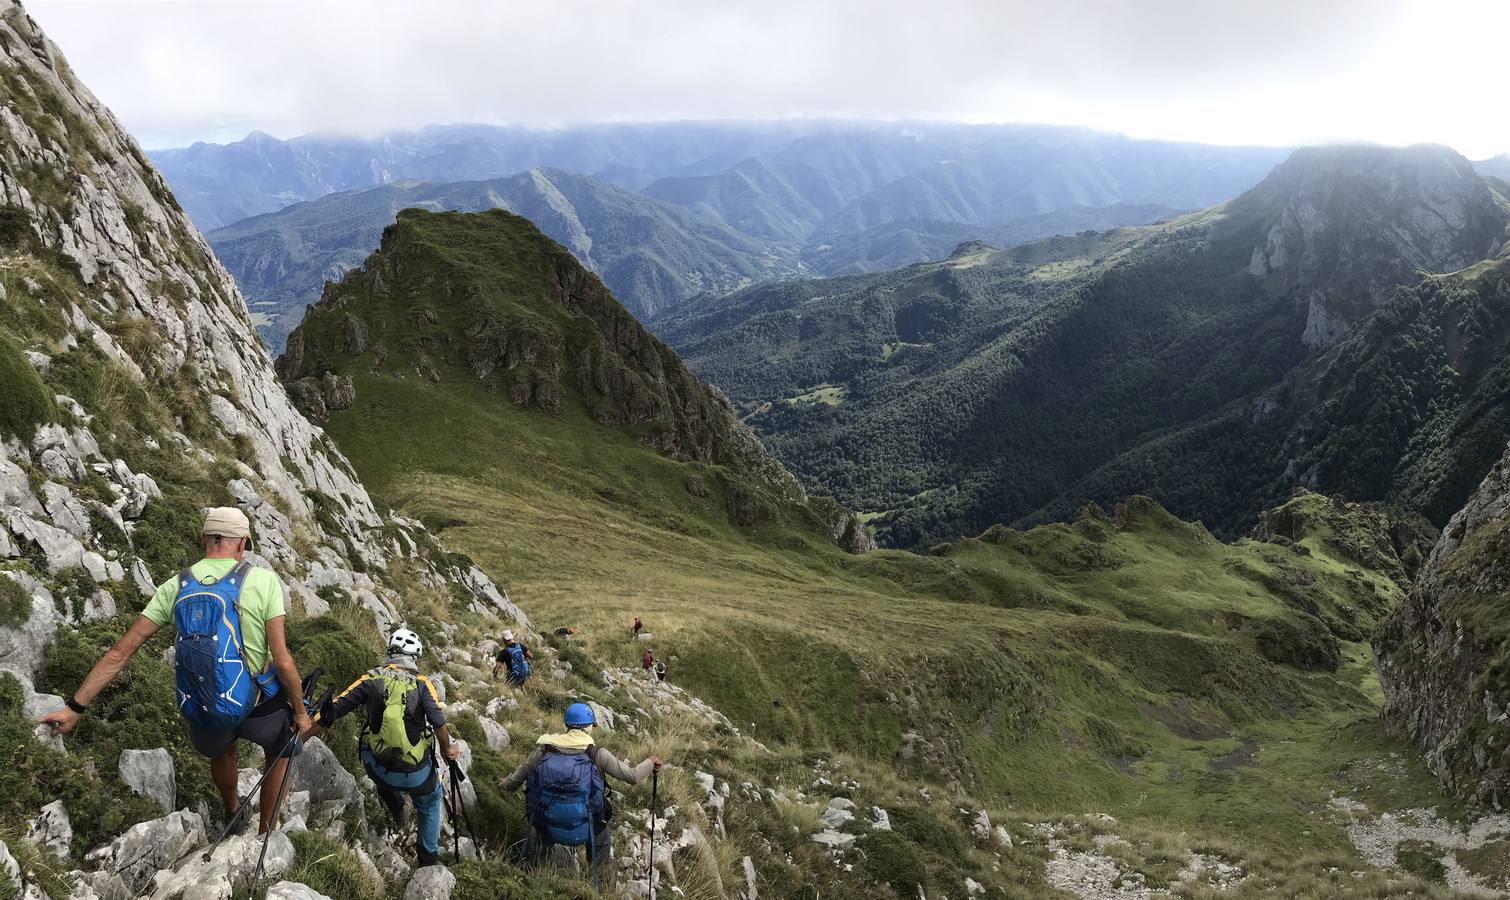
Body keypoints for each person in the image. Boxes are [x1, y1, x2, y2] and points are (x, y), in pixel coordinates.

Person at [37, 507, 311, 834]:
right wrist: (300, 712)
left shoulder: (176, 586)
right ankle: (266, 830)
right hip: (257, 707)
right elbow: (282, 661)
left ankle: (232, 808)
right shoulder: (262, 581)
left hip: (207, 704)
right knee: (282, 748)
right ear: (242, 544)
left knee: (222, 747)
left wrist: (74, 708)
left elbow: (120, 652)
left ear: (203, 540)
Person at [315, 628, 458, 867]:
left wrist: (300, 732)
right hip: (417, 776)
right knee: (430, 802)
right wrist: (447, 750)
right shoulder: (422, 684)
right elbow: (439, 723)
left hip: (378, 770)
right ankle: (428, 860)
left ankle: (399, 809)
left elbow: (335, 710)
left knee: (375, 763)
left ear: (390, 652)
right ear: (414, 656)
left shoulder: (371, 679)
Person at [499, 703, 662, 872]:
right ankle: (598, 885)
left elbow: (516, 779)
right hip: (587, 825)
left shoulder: (544, 750)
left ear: (565, 725)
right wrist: (651, 761)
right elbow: (633, 777)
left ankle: (534, 873)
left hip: (548, 822)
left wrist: (503, 785)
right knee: (602, 841)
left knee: (537, 829)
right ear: (589, 727)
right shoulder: (597, 754)